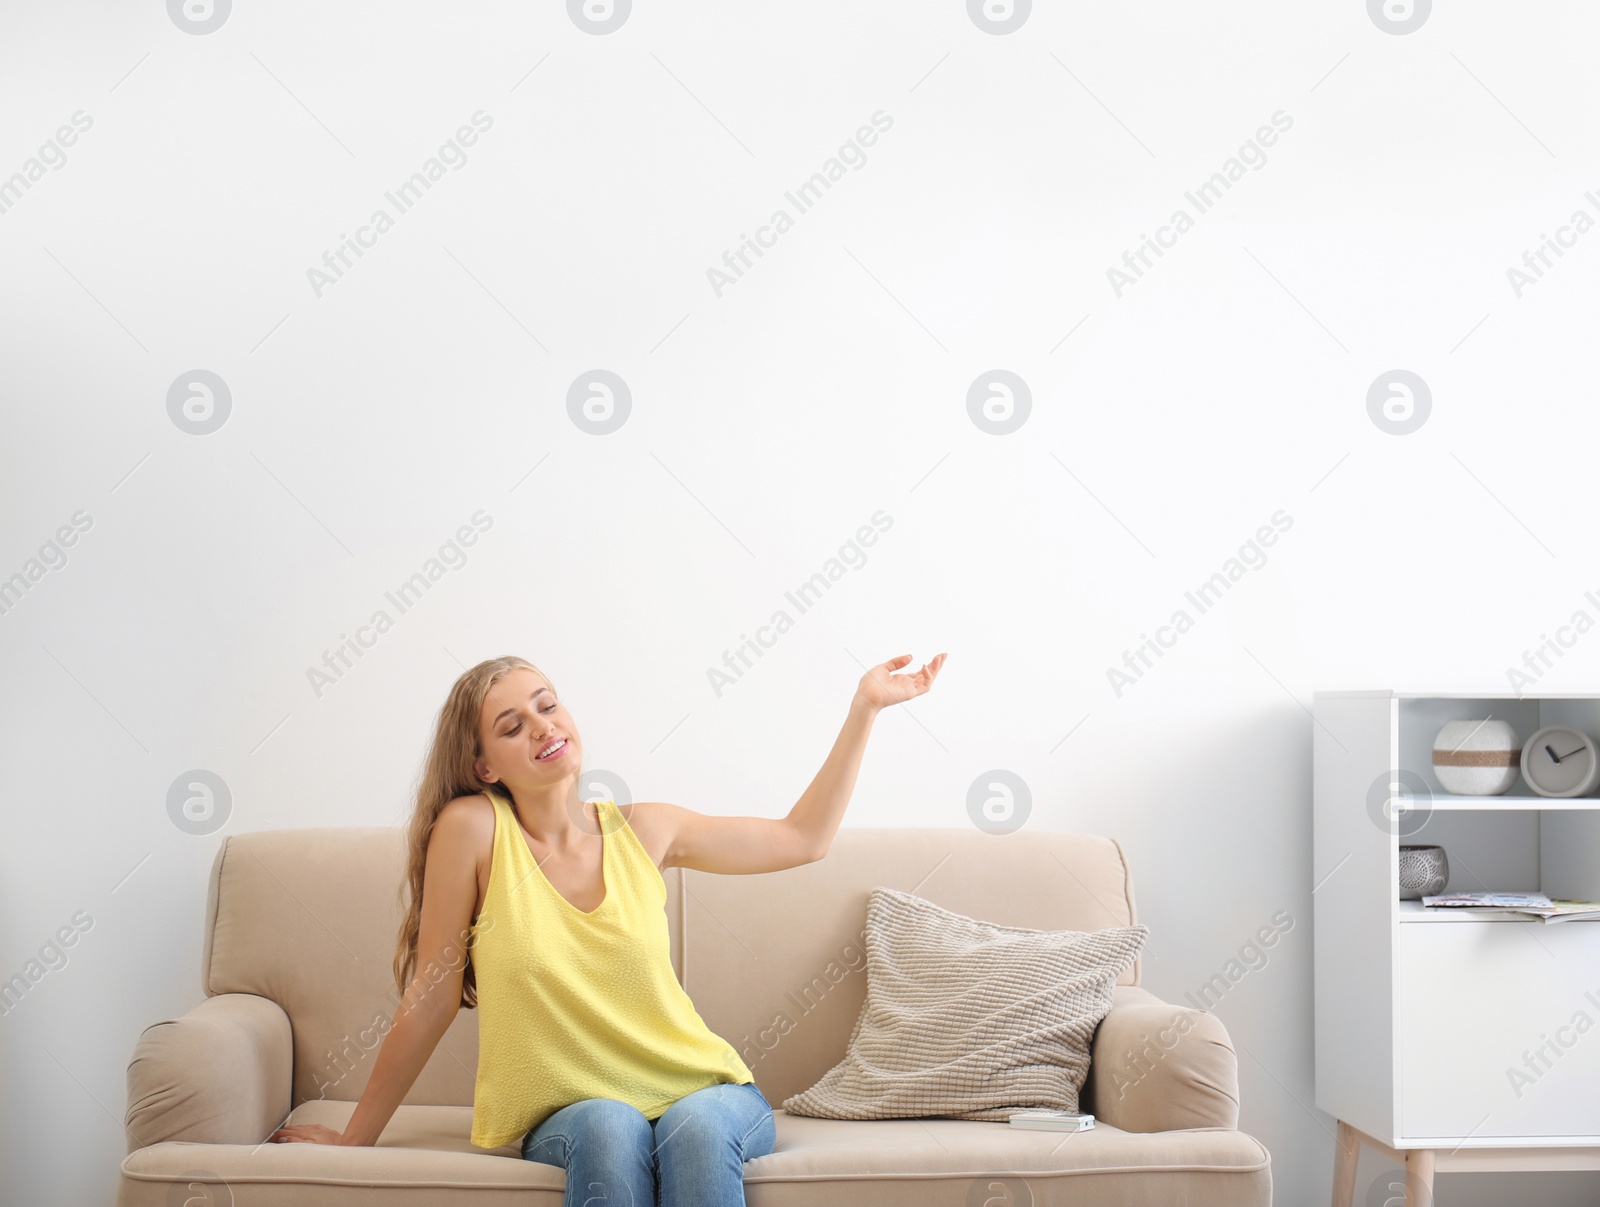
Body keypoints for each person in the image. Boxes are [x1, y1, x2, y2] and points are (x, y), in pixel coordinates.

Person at [269, 650, 946, 1207]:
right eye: (511, 725)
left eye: (547, 702)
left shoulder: (646, 829)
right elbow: (431, 997)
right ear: (484, 766)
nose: (541, 725)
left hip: (705, 1090)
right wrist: (355, 1138)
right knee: (609, 1121)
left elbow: (802, 837)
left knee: (699, 1128)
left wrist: (866, 708)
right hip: (572, 1110)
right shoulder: (473, 830)